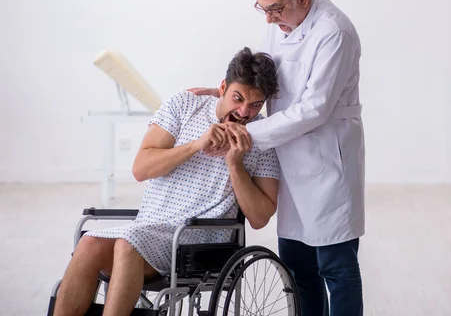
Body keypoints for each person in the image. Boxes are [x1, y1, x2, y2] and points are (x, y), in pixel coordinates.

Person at [192, 0, 365, 316]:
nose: (268, 19)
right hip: (286, 158)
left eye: (274, 9)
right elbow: (265, 79)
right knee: (298, 266)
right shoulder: (279, 23)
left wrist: (244, 132)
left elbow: (314, 109)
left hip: (326, 161)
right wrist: (226, 94)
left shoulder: (334, 32)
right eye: (263, 9)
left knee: (336, 267)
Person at [53, 47, 281, 316]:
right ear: (222, 87)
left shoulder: (263, 137)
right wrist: (196, 145)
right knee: (89, 242)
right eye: (237, 98)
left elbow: (260, 217)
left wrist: (235, 163)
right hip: (151, 225)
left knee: (129, 242)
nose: (244, 112)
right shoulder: (185, 104)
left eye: (255, 105)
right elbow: (140, 168)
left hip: (200, 241)